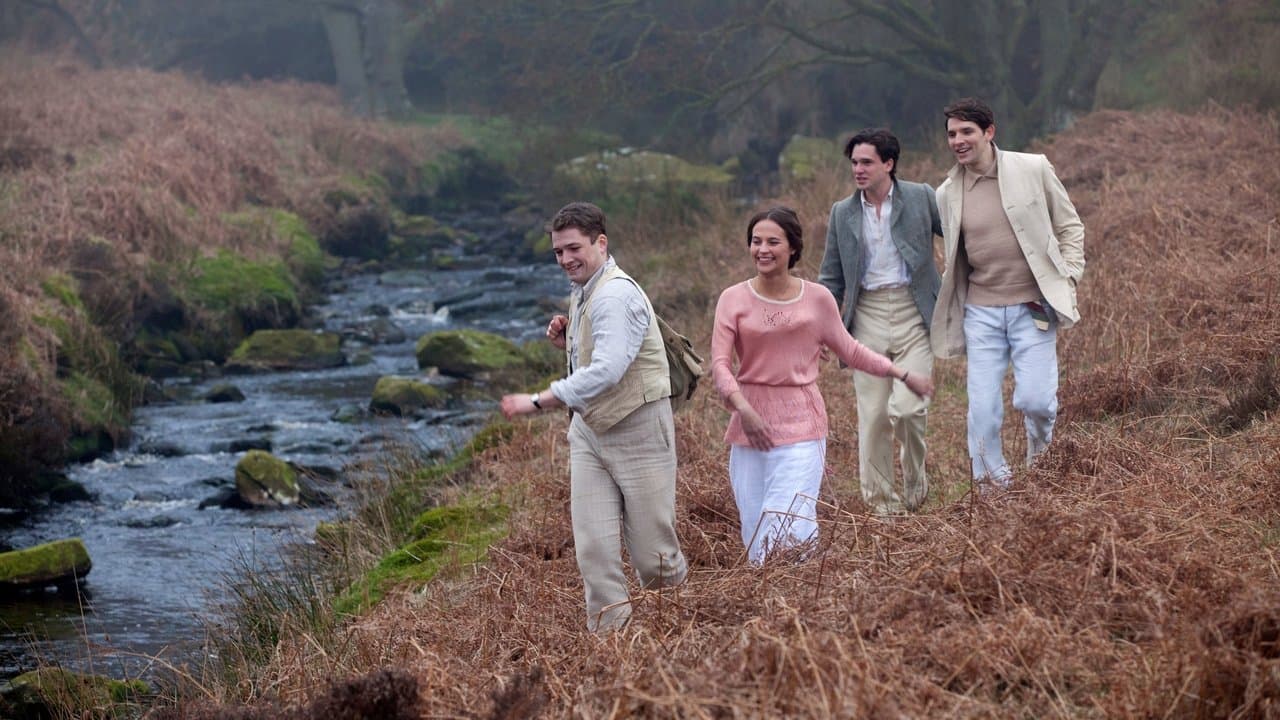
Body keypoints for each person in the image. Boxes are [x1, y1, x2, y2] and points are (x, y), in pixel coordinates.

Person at [500, 201, 687, 632]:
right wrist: (570, 339)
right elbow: (598, 353)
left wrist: (539, 399)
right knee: (594, 552)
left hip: (639, 429)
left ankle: (679, 637)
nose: (565, 260)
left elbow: (609, 370)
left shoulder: (617, 294)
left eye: (573, 249)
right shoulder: (584, 289)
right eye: (558, 252)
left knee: (654, 556)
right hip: (589, 433)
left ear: (601, 243)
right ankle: (611, 651)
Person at [711, 206, 933, 564]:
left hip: (801, 424)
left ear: (793, 248)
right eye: (756, 242)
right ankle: (772, 612)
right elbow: (720, 366)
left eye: (772, 242)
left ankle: (801, 599)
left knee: (788, 524)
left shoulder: (817, 298)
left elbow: (851, 349)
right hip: (748, 427)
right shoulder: (732, 299)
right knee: (755, 531)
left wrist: (901, 374)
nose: (762, 250)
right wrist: (743, 408)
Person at [931, 97, 1085, 486]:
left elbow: (1069, 227)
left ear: (989, 132)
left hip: (1033, 306)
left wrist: (1069, 278)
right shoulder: (946, 193)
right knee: (982, 412)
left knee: (1036, 401)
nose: (958, 141)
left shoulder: (1033, 168)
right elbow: (954, 256)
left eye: (967, 131)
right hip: (981, 313)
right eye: (952, 134)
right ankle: (993, 492)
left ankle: (1041, 461)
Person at [818, 128, 943, 515]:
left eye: (867, 162)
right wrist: (822, 326)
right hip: (866, 315)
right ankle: (884, 508)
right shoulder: (843, 212)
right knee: (872, 416)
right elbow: (831, 275)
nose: (858, 169)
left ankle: (915, 477)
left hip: (914, 311)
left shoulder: (921, 197)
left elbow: (958, 236)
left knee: (907, 410)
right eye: (854, 162)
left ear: (888, 164)